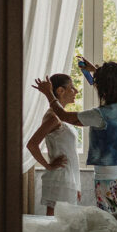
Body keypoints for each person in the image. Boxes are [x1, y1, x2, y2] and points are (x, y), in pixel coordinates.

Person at [33, 59, 117, 214]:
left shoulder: (99, 115)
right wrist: (95, 71)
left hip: (107, 176)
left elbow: (64, 116)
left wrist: (48, 94)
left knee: (109, 220)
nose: (77, 91)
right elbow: (111, 84)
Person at [25, 73, 81, 216]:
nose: (76, 91)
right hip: (59, 178)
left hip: (67, 178)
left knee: (64, 223)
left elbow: (71, 154)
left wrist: (76, 185)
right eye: (72, 87)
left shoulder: (61, 116)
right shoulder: (53, 117)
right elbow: (32, 144)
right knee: (55, 223)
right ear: (60, 91)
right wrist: (48, 166)